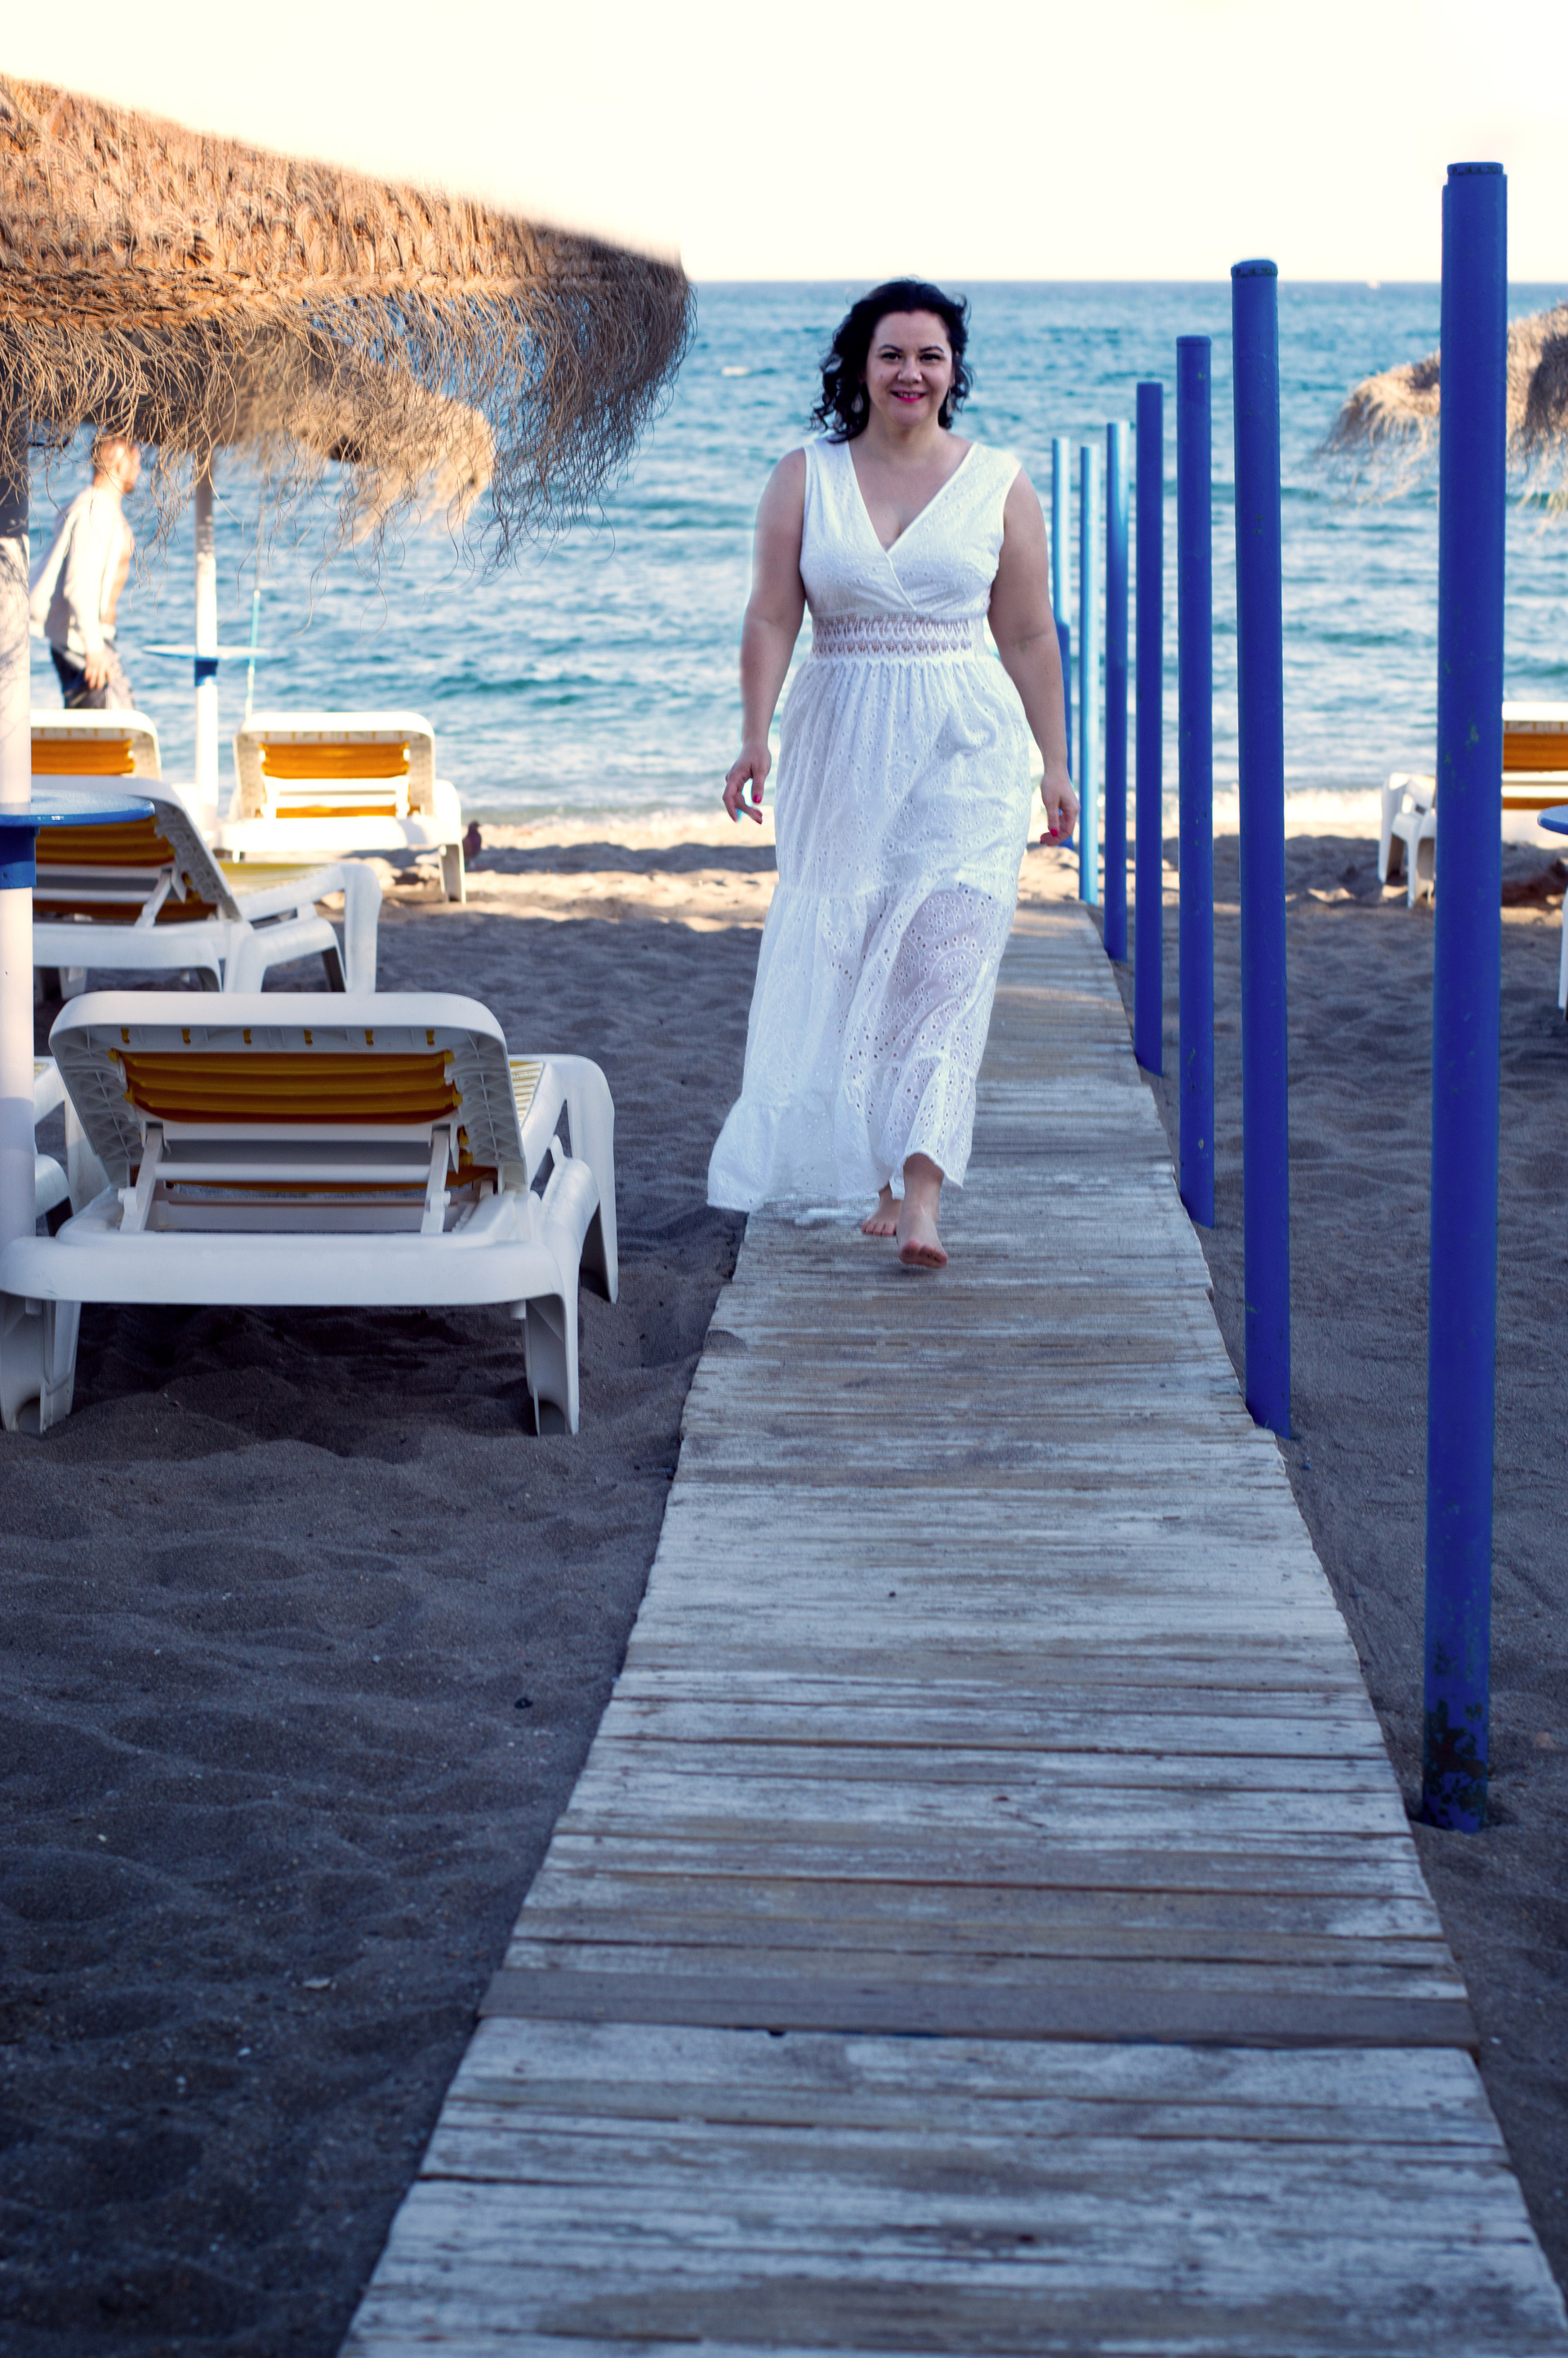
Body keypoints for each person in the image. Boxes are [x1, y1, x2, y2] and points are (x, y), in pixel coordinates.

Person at [706, 279, 1076, 1268]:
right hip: (842, 741)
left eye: (930, 355)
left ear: (954, 372)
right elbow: (771, 615)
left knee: (946, 959)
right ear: (860, 367)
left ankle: (921, 1192)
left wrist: (1056, 762)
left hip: (967, 745)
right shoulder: (806, 477)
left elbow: (1028, 633)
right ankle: (874, 1169)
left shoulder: (999, 482)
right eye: (892, 354)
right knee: (854, 945)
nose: (911, 372)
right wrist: (754, 735)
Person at [28, 433, 141, 709]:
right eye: (136, 460)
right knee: (110, 723)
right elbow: (79, 585)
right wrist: (94, 648)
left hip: (91, 639)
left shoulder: (102, 510)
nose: (139, 469)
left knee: (112, 720)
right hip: (82, 643)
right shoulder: (95, 513)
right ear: (118, 460)